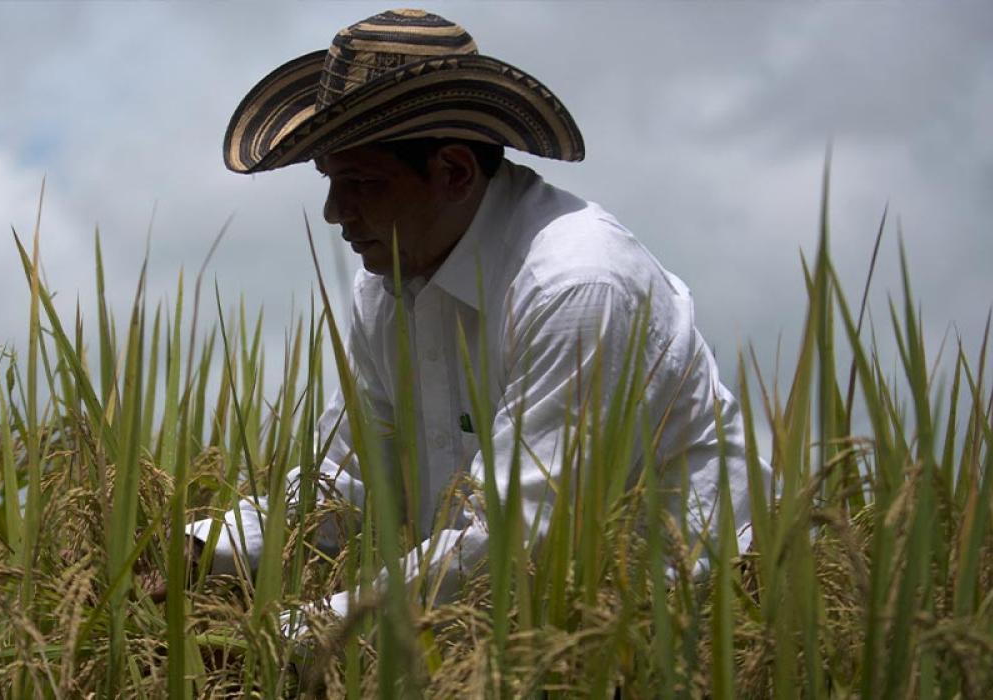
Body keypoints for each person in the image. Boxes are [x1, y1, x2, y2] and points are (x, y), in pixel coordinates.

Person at [168, 8, 763, 621]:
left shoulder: (577, 286)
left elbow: (516, 538)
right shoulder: (386, 287)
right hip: (529, 627)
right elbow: (354, 476)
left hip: (686, 622)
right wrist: (203, 548)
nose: (333, 211)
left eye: (362, 182)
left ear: (453, 171)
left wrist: (304, 631)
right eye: (329, 180)